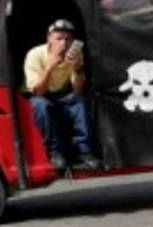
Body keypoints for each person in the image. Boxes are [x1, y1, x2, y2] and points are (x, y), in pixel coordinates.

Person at [25, 20, 99, 171]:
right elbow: (38, 91)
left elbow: (78, 89)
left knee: (79, 101)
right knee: (40, 105)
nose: (63, 43)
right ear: (49, 39)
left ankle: (85, 151)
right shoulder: (35, 54)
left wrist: (77, 68)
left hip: (63, 93)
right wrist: (50, 66)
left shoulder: (75, 54)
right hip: (40, 93)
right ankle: (54, 153)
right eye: (59, 38)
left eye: (68, 39)